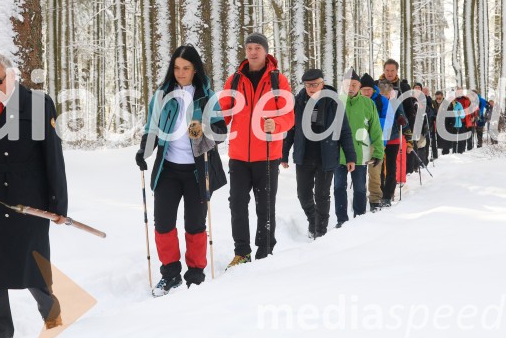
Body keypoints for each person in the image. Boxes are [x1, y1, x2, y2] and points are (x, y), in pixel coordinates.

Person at [0, 52, 68, 338]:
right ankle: (0, 334)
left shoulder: (37, 104)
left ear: (13, 76)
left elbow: (53, 159)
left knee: (32, 263)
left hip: (27, 197)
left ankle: (52, 314)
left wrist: (58, 207)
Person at [136, 45, 227, 296]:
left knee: (195, 224)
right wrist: (143, 152)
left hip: (197, 171)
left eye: (186, 68)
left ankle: (196, 274)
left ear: (195, 69)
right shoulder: (162, 94)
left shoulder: (207, 97)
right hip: (168, 170)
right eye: (176, 68)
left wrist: (201, 130)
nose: (181, 72)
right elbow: (151, 127)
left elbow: (221, 132)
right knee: (163, 223)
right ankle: (170, 274)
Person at [219, 34, 294, 266]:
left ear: (265, 51)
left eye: (257, 48)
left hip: (268, 155)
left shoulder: (278, 81)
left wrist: (277, 124)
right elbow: (223, 113)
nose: (252, 52)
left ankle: (264, 251)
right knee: (237, 204)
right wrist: (209, 127)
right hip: (239, 156)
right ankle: (242, 252)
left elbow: (289, 115)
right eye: (249, 48)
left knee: (265, 205)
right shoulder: (234, 80)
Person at [282, 69, 356, 237]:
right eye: (308, 85)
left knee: (322, 195)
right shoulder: (298, 101)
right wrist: (284, 153)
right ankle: (313, 219)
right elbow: (291, 129)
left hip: (326, 155)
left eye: (315, 84)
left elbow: (344, 131)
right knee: (303, 194)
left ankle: (320, 231)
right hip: (304, 155)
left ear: (322, 84)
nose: (311, 88)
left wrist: (350, 156)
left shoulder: (334, 102)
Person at [333, 70, 383, 226]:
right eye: (348, 84)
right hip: (338, 155)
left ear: (359, 86)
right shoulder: (336, 102)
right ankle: (342, 220)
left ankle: (359, 219)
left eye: (354, 85)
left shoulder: (368, 104)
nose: (350, 87)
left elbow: (375, 130)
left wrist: (379, 153)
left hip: (360, 155)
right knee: (339, 188)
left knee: (360, 189)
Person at [377, 79, 410, 207]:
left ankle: (388, 195)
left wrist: (402, 119)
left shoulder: (395, 102)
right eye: (382, 92)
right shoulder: (376, 101)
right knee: (378, 166)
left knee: (391, 166)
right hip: (378, 138)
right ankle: (379, 192)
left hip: (393, 137)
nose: (385, 95)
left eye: (387, 92)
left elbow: (403, 118)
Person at [360, 74, 385, 211]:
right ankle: (360, 198)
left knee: (375, 173)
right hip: (360, 142)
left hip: (376, 141)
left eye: (369, 90)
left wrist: (382, 143)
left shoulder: (381, 101)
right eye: (364, 90)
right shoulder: (356, 102)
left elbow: (386, 121)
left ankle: (375, 200)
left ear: (373, 90)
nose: (366, 92)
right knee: (359, 173)